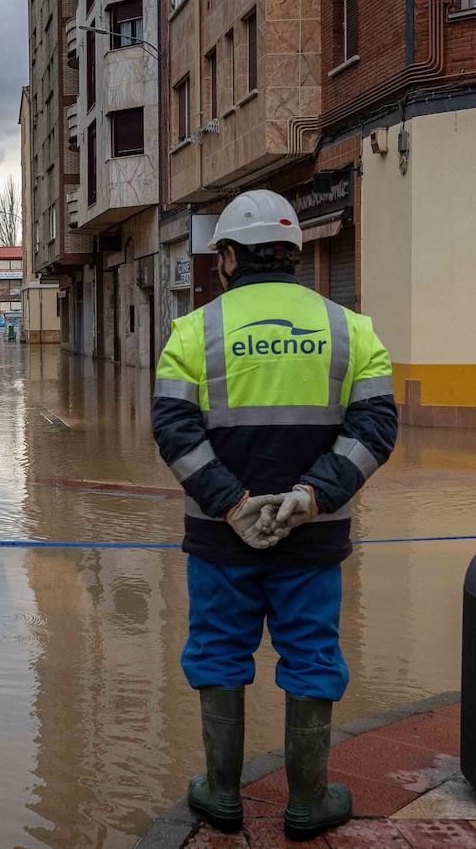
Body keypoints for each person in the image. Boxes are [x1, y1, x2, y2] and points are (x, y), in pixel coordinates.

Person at [150, 190, 397, 842]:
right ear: (294, 253)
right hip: (311, 540)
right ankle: (308, 802)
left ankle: (222, 796)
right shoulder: (352, 329)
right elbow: (376, 428)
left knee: (217, 655)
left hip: (218, 542)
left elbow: (173, 430)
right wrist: (312, 496)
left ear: (228, 257)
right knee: (312, 656)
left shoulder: (192, 332)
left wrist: (231, 504)